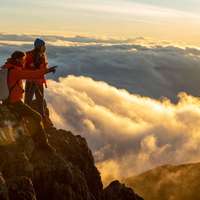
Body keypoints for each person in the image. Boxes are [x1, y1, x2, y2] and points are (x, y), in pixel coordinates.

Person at [3, 51, 56, 150]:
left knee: (25, 119)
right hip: (15, 103)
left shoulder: (6, 67)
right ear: (18, 59)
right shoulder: (15, 71)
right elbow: (31, 75)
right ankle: (43, 144)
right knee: (37, 117)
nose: (24, 61)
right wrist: (46, 71)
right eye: (23, 59)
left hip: (6, 101)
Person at [24, 38, 51, 126]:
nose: (44, 47)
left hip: (35, 81)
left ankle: (40, 117)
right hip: (34, 81)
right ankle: (40, 118)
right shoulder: (36, 55)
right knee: (35, 101)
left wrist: (48, 70)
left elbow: (41, 70)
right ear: (39, 46)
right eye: (43, 46)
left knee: (33, 100)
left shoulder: (38, 55)